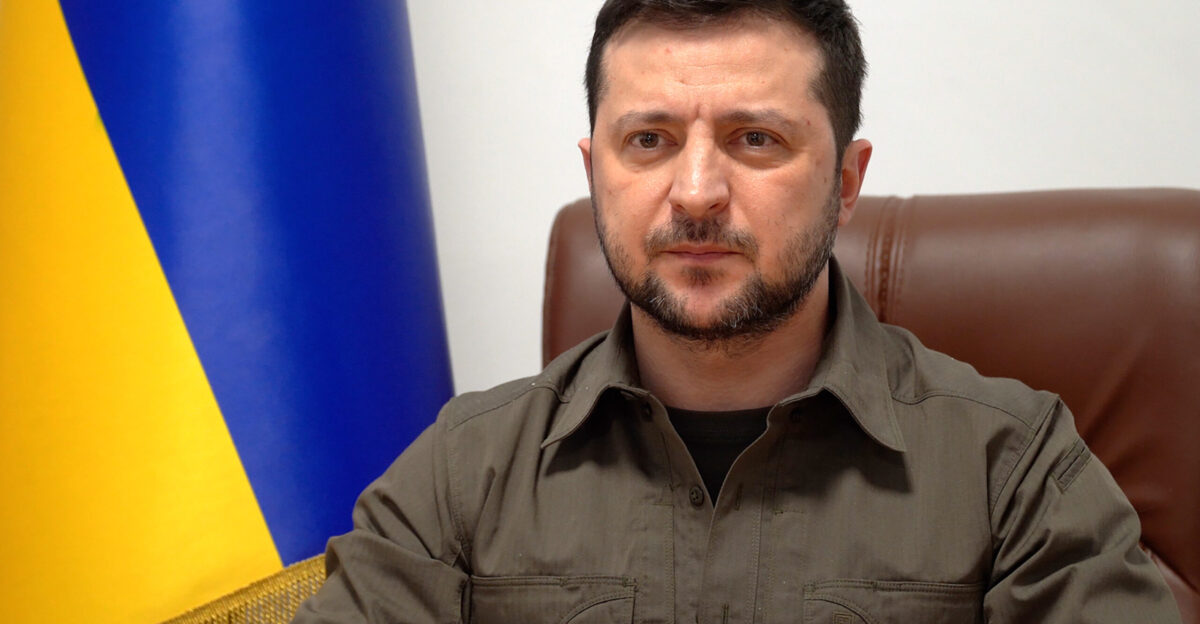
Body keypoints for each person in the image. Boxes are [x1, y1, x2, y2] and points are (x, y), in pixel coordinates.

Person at [294, 1, 1182, 622]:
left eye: (756, 139)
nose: (696, 192)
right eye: (649, 141)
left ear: (845, 183)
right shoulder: (464, 471)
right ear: (594, 169)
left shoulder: (1016, 473)